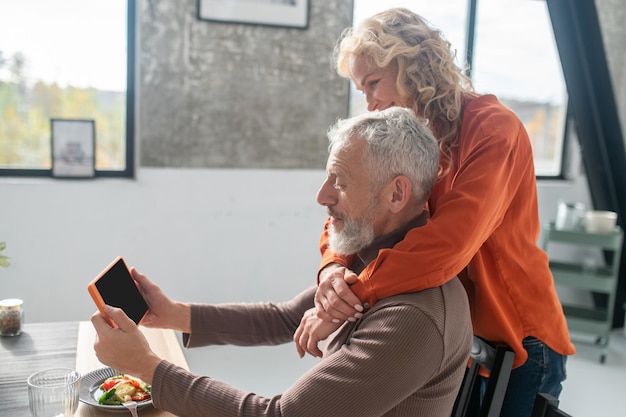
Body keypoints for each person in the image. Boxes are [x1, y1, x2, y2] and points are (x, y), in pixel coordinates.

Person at [91, 107, 473, 417]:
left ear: (396, 193)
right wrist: (173, 314)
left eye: (339, 182)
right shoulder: (374, 258)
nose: (321, 196)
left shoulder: (413, 316)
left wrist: (149, 368)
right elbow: (285, 317)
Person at [297, 8, 575, 417]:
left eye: (373, 83)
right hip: (463, 335)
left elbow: (447, 244)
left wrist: (349, 296)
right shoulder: (410, 137)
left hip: (519, 335)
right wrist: (333, 269)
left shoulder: (495, 129)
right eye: (362, 90)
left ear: (412, 65)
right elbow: (351, 206)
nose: (370, 104)